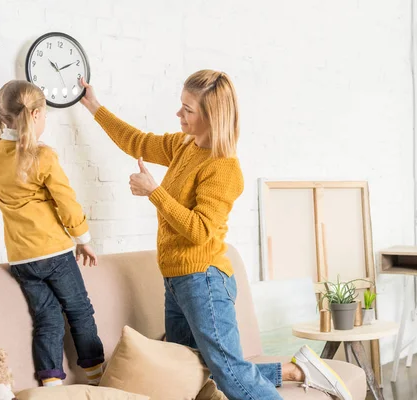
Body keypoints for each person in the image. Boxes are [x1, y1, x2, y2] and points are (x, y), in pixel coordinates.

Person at [79, 71, 352, 400]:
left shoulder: (224, 168)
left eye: (187, 109)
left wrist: (155, 192)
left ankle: (295, 373)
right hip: (177, 280)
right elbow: (136, 141)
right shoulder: (184, 146)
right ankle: (295, 371)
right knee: (191, 368)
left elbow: (200, 230)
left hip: (203, 280)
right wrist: (95, 107)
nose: (178, 114)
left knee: (230, 376)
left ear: (211, 117)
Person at [0, 80, 104, 387]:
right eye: (45, 114)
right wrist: (83, 240)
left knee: (46, 318)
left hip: (21, 259)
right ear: (34, 115)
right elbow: (67, 203)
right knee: (79, 311)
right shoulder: (42, 156)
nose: (45, 120)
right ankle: (98, 378)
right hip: (55, 254)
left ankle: (51, 383)